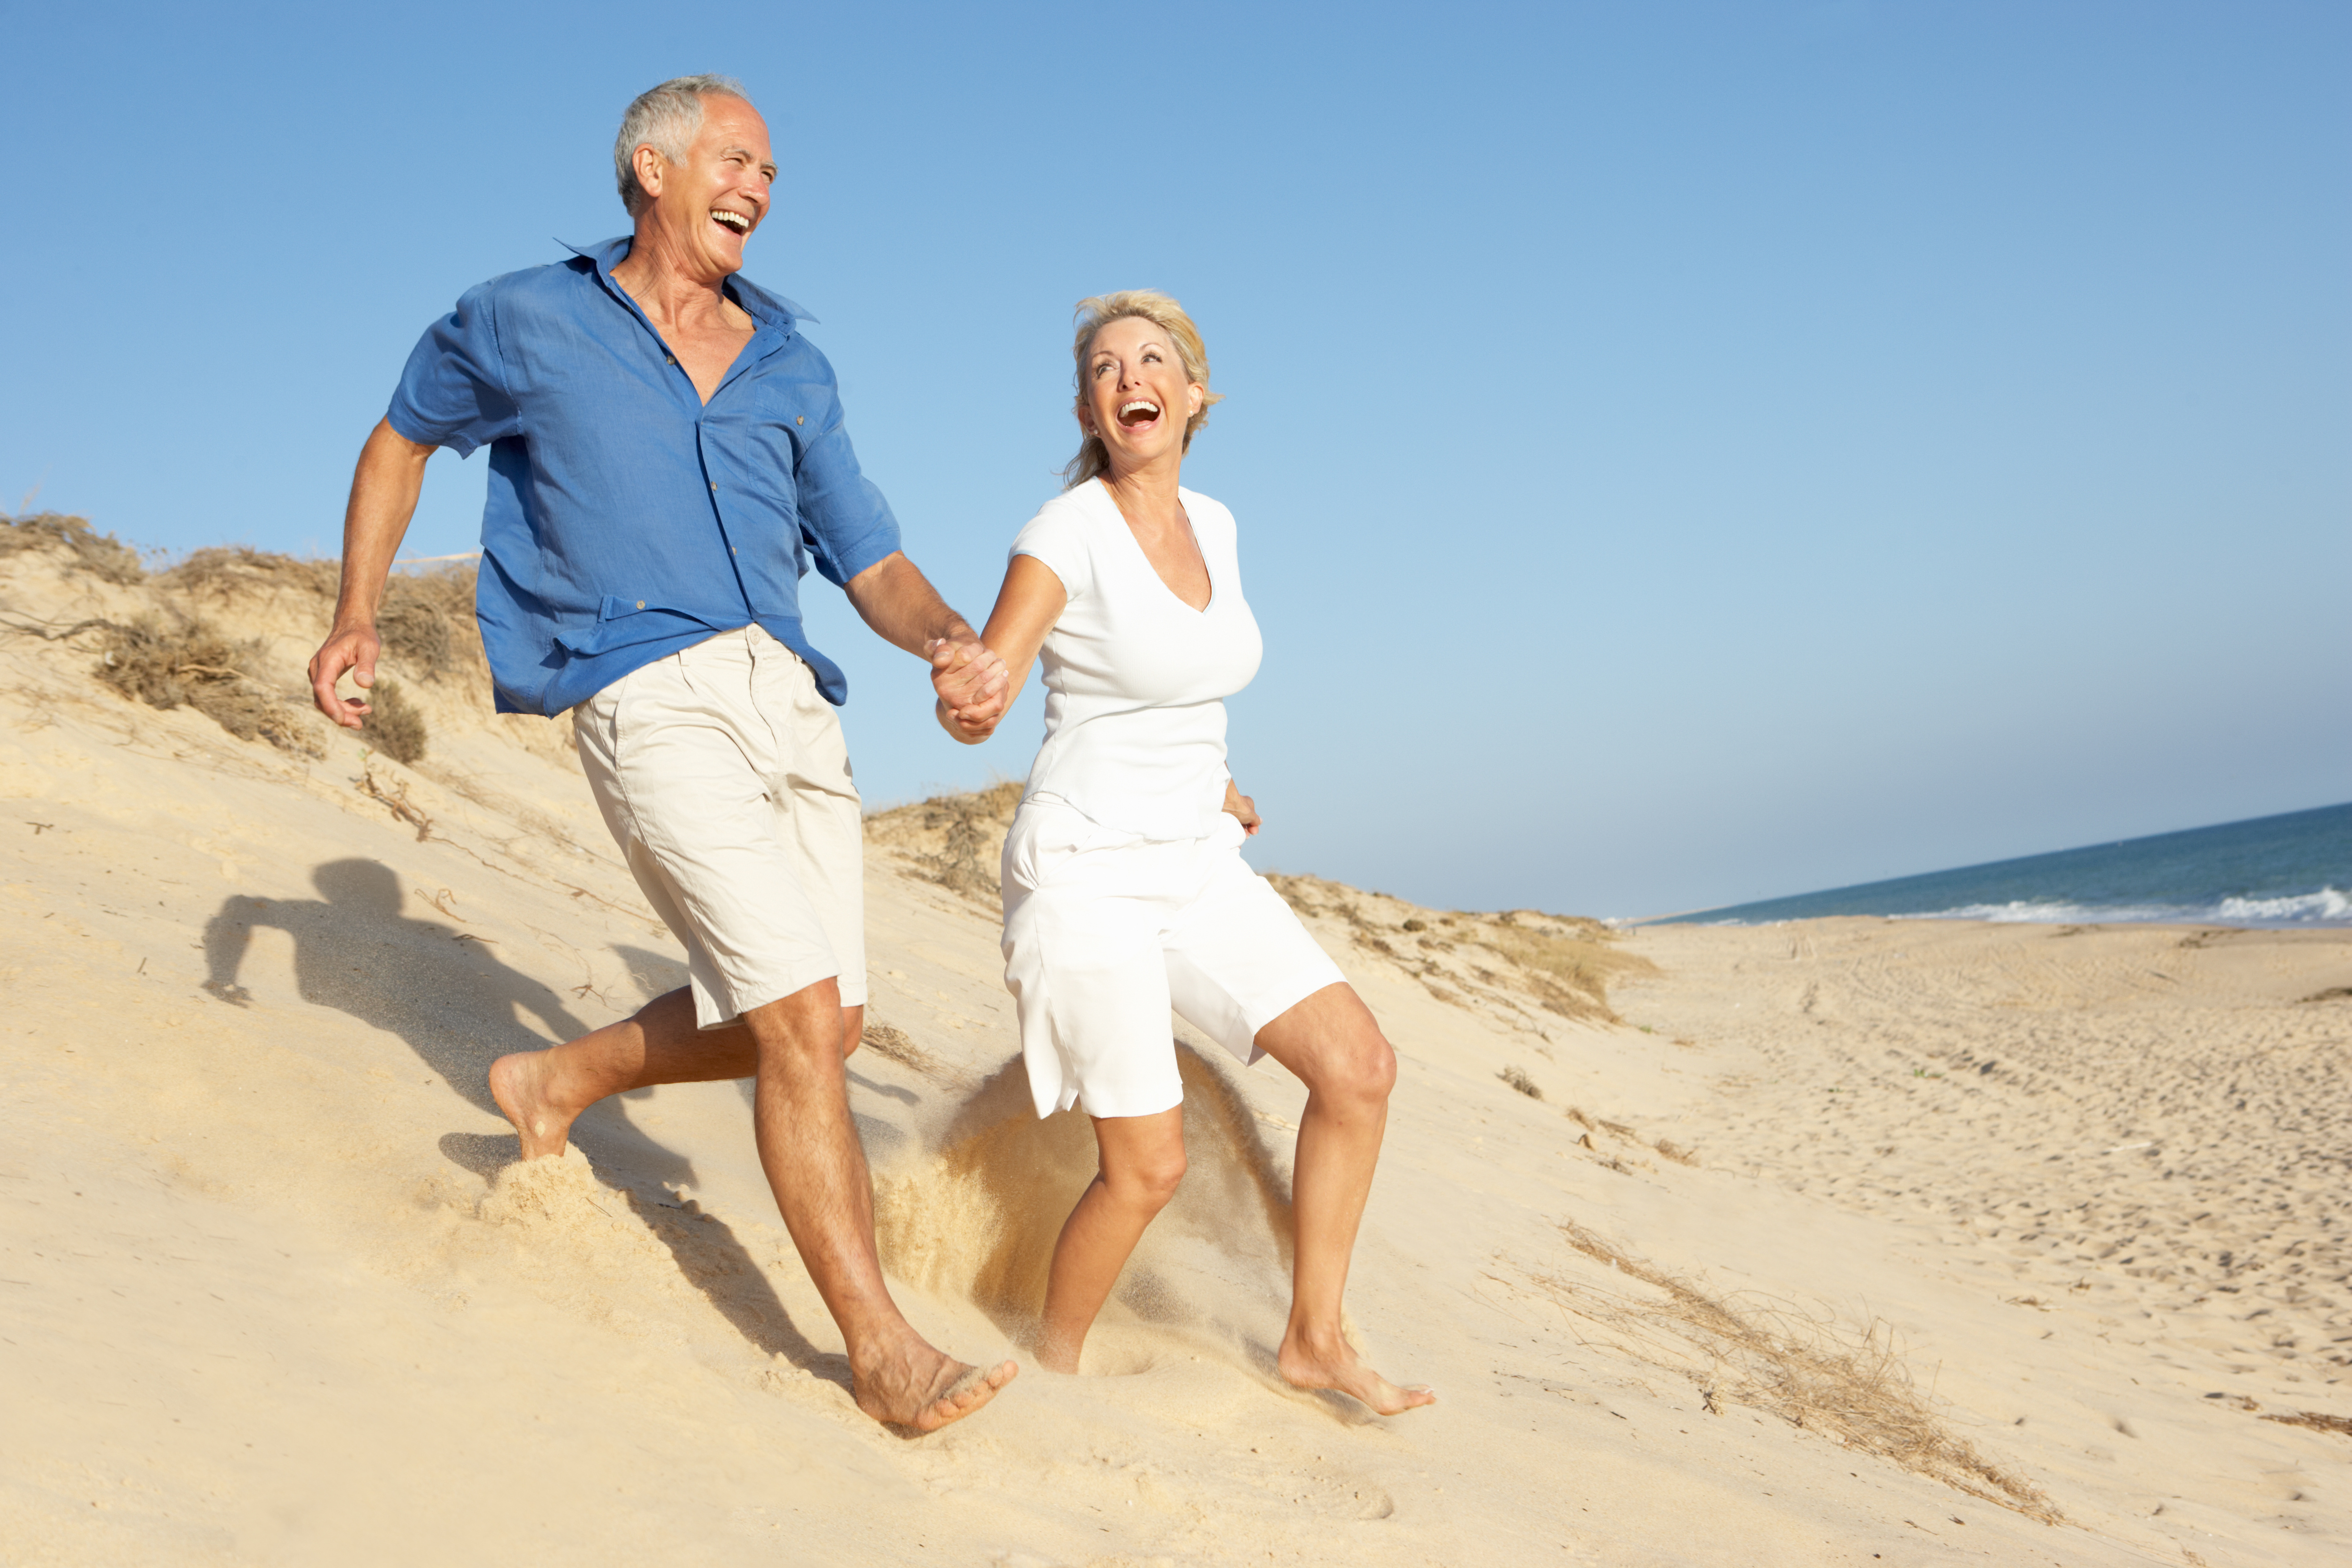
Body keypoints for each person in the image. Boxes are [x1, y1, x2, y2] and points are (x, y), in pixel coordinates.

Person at [306, 74, 1015, 1432]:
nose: (759, 185)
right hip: (643, 686)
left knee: (820, 1021)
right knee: (802, 1022)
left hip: (791, 699)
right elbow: (399, 441)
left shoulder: (792, 363)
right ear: (652, 164)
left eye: (770, 172)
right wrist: (356, 615)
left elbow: (871, 559)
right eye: (736, 158)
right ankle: (880, 1348)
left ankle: (551, 1079)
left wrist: (952, 642)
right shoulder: (526, 316)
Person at [941, 291, 1435, 1415]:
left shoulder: (1217, 522)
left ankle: (1314, 1338)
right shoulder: (1064, 531)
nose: (1130, 378)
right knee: (1147, 1168)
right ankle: (1052, 1370)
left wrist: (1209, 782)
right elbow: (1002, 666)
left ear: (1195, 394)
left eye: (1153, 360)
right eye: (1107, 368)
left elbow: (1179, 683)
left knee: (1359, 1070)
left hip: (1194, 855)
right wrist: (974, 694)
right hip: (1085, 870)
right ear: (1088, 407)